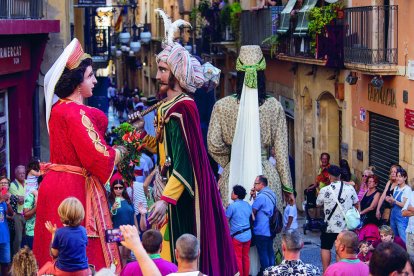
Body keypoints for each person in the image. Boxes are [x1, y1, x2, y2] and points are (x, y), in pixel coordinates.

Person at [129, 12, 238, 276]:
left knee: (178, 249)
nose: (158, 76)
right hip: (167, 188)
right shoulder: (167, 106)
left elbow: (185, 162)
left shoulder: (183, 108)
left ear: (177, 73)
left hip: (180, 195)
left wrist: (166, 200)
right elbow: (163, 149)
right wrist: (140, 134)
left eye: (164, 70)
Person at [34, 38, 126, 273]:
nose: (95, 80)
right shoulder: (77, 113)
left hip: (54, 185)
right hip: (73, 188)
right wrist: (121, 152)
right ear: (77, 82)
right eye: (89, 76)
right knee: (86, 247)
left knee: (52, 246)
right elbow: (98, 157)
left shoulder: (57, 110)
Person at [208, 44, 294, 266]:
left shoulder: (222, 106)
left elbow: (213, 144)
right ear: (262, 73)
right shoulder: (274, 107)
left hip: (232, 177)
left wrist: (231, 163)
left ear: (239, 74)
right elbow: (282, 152)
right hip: (266, 176)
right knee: (267, 235)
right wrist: (287, 188)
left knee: (233, 232)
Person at [316, 165, 358, 272]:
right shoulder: (350, 188)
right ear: (340, 176)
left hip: (330, 226)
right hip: (345, 228)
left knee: (326, 247)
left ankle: (326, 271)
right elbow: (356, 203)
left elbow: (318, 204)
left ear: (329, 176)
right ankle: (341, 271)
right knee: (341, 249)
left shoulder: (324, 190)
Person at [38, 197, 90, 275]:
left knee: (47, 266)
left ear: (62, 215)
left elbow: (54, 253)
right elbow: (84, 245)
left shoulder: (59, 233)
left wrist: (53, 234)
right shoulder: (83, 231)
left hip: (63, 271)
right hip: (83, 271)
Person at [250, 175, 277, 273]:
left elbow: (253, 211)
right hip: (270, 229)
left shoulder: (261, 196)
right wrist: (254, 197)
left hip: (261, 229)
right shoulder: (271, 194)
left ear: (261, 184)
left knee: (263, 254)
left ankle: (266, 273)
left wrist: (253, 199)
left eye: (255, 183)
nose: (254, 185)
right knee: (270, 252)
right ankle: (272, 272)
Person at [226, 185, 252, 276]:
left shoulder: (232, 207)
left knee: (238, 258)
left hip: (237, 237)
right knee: (245, 257)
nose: (231, 194)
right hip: (248, 235)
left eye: (232, 192)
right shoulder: (247, 205)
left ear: (236, 195)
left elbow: (226, 220)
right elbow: (250, 217)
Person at [386, 168, 411, 242]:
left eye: (400, 176)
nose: (398, 178)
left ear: (405, 178)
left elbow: (404, 205)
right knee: (394, 237)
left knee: (403, 238)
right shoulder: (396, 188)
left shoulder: (407, 189)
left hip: (402, 218)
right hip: (393, 215)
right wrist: (390, 200)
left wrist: (394, 201)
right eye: (397, 176)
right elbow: (393, 203)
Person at [9, 165, 26, 256]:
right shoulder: (13, 185)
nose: (22, 175)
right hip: (18, 215)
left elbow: (23, 198)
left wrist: (23, 198)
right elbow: (19, 201)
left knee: (27, 237)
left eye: (23, 173)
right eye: (20, 173)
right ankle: (16, 259)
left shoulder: (27, 182)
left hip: (28, 214)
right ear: (16, 174)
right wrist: (29, 196)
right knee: (18, 238)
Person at [0, 176, 13, 276]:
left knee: (6, 263)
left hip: (4, 237)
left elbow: (11, 214)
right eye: (1, 183)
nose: (3, 185)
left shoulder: (5, 199)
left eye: (5, 183)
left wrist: (8, 204)